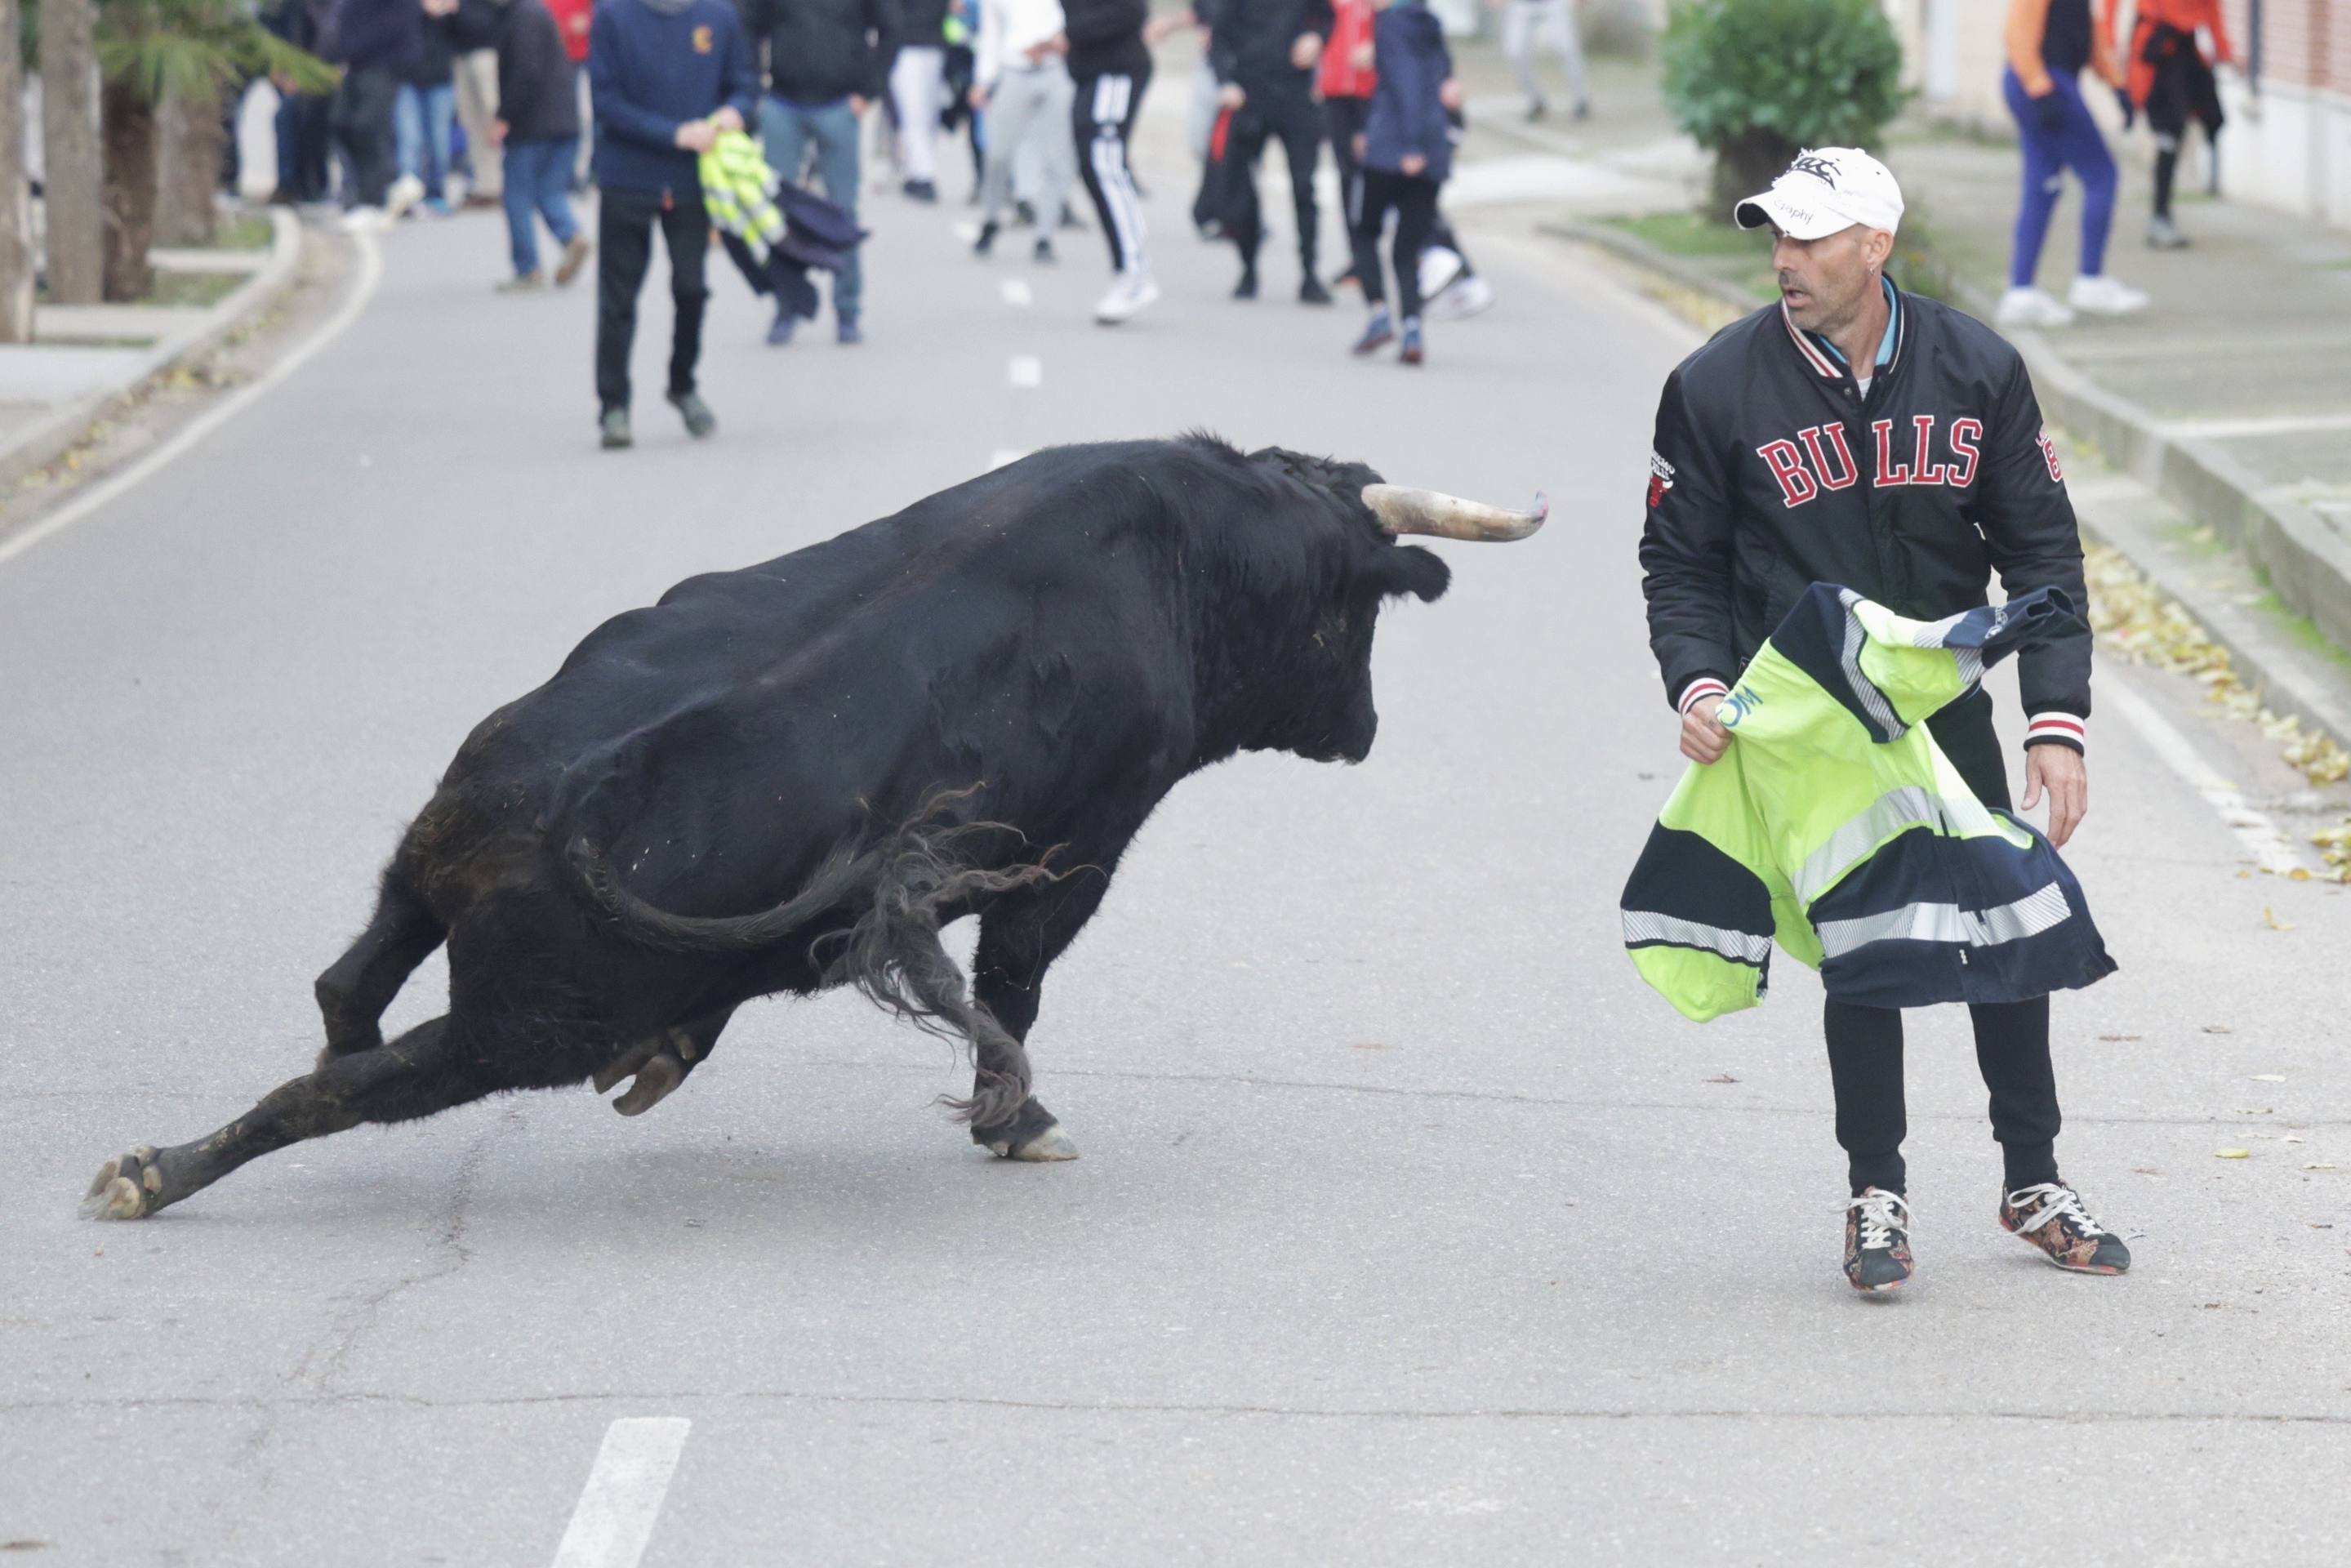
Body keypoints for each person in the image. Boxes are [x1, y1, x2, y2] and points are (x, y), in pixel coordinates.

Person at [1638, 147, 2132, 1294]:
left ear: (1875, 247)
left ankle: (2030, 1177)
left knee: (2006, 927)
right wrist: (1697, 684)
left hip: (1942, 700)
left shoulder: (1975, 369)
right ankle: (1874, 1191)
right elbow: (1677, 564)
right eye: (1774, 235)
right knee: (1861, 952)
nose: (1784, 259)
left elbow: (2040, 550)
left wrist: (2053, 716)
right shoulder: (1714, 386)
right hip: (1807, 722)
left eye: (1810, 238)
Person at [586, 0, 759, 450]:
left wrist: (733, 112)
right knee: (618, 298)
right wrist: (673, 133)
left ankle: (682, 385)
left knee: (691, 288)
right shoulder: (612, 15)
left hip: (690, 180)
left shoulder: (719, 15)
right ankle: (614, 405)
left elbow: (744, 84)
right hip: (627, 176)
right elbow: (605, 102)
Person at [740, 0, 888, 345]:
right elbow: (747, 23)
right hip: (783, 103)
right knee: (777, 214)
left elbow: (890, 27)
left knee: (843, 210)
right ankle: (787, 304)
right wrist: (754, 90)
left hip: (839, 104)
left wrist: (869, 91)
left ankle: (848, 309)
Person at [1997, 0, 2146, 328]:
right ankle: (2090, 281)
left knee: (2042, 187)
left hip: (2041, 81)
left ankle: (2021, 292)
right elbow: (2018, 33)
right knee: (2102, 175)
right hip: (2043, 82)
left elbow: (2089, 38)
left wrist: (2117, 85)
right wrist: (2039, 87)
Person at [1201, 0, 1334, 304]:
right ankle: (1248, 270)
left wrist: (1317, 38)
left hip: (1295, 95)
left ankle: (1309, 273)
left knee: (1304, 186)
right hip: (1249, 95)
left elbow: (1326, 19)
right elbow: (1218, 39)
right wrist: (1226, 82)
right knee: (1243, 189)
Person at [1347, 0, 1447, 364]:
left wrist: (1409, 144)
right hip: (1433, 152)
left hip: (1394, 152)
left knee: (1365, 231)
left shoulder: (1391, 24)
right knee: (1407, 248)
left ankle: (1378, 314)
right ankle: (1411, 326)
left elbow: (1406, 83)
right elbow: (1443, 82)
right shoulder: (1429, 22)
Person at [2104, 0, 2229, 250]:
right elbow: (2110, 7)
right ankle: (2160, 217)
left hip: (2186, 50)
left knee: (2214, 118)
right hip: (2156, 54)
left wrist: (2223, 49)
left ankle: (2163, 215)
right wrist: (2109, 46)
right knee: (2169, 132)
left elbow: (2211, 9)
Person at [483, 0, 589, 289]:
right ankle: (571, 236)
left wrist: (504, 117)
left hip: (532, 125)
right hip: (564, 120)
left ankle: (527, 269)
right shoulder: (538, 13)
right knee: (549, 190)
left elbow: (526, 72)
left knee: (517, 195)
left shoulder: (523, 17)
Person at [1064, 0, 1158, 324]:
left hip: (1115, 69)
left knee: (1105, 164)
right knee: (1091, 166)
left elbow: (1132, 10)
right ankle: (1128, 270)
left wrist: (1067, 32)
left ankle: (1134, 274)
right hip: (1089, 72)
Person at [971, 0, 1075, 264]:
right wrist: (983, 80)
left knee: (1056, 157)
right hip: (1014, 71)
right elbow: (991, 36)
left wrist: (1052, 43)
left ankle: (1044, 235)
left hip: (1054, 71)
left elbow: (1074, 19)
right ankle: (991, 218)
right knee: (998, 154)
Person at [326, 0, 421, 230]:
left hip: (383, 63)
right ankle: (382, 186)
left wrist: (352, 48)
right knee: (343, 124)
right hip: (357, 65)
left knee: (368, 127)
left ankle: (374, 200)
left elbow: (394, 24)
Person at [891, 0, 951, 199]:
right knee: (922, 116)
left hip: (912, 47)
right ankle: (917, 169)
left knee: (916, 115)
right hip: (928, 45)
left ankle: (922, 174)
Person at [1490, 0, 1586, 122]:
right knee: (1514, 53)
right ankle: (1536, 100)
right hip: (1522, 5)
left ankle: (1581, 98)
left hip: (1553, 4)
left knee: (1566, 48)